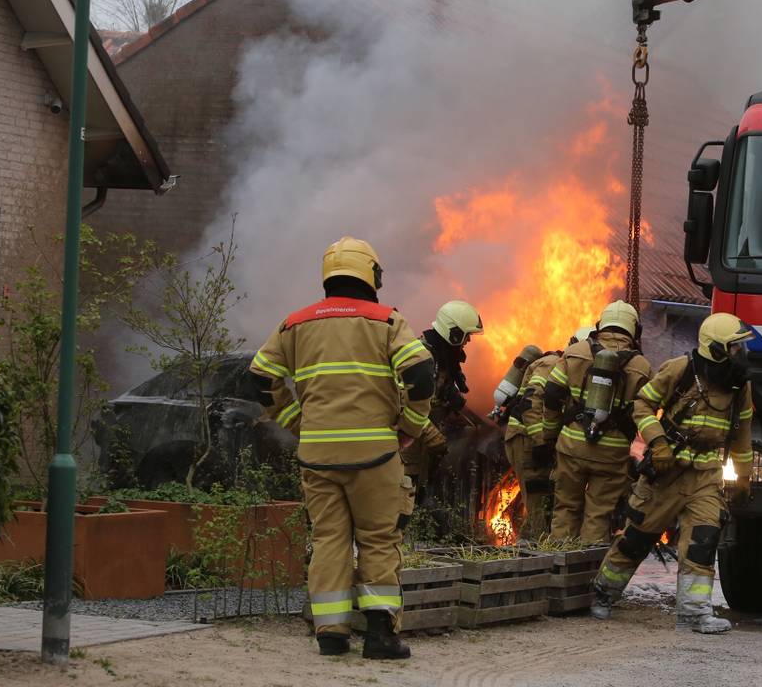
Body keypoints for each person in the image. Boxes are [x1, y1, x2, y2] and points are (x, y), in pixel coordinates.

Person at [248, 236, 434, 660]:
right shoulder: (387, 321)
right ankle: (380, 635)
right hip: (375, 456)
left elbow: (259, 377)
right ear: (371, 275)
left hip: (317, 455)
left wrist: (297, 421)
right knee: (377, 540)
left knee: (329, 537)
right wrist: (411, 426)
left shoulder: (295, 324)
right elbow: (421, 376)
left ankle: (330, 631)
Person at [590, 313, 756, 634]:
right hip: (666, 474)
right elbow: (641, 406)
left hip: (706, 475)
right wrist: (659, 442)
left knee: (703, 541)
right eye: (735, 348)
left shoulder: (740, 387)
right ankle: (604, 593)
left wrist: (745, 477)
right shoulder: (680, 371)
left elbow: (743, 435)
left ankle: (694, 614)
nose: (741, 355)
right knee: (636, 539)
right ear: (717, 350)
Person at [544, 302, 652, 544]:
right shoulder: (642, 367)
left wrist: (549, 438)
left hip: (571, 446)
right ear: (635, 330)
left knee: (565, 508)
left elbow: (551, 395)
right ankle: (585, 571)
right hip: (611, 454)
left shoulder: (575, 352)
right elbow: (649, 412)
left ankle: (560, 567)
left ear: (600, 324)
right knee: (598, 514)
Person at [502, 326, 592, 540]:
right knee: (537, 502)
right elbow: (530, 405)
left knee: (543, 500)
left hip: (537, 440)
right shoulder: (551, 364)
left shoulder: (569, 369)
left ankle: (534, 551)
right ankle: (530, 557)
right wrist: (541, 444)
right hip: (527, 439)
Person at [402, 300, 484, 499]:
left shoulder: (443, 356)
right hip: (409, 442)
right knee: (406, 493)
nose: (468, 341)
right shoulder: (422, 356)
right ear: (453, 332)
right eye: (466, 335)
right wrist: (432, 435)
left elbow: (444, 396)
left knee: (420, 492)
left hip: (424, 442)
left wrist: (480, 423)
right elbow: (403, 405)